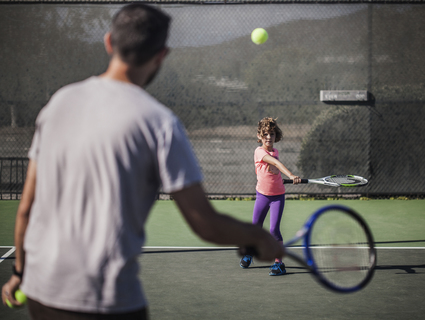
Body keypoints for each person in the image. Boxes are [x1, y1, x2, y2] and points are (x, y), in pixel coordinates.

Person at [1, 4, 284, 319]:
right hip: (109, 302)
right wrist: (258, 237)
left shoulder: (57, 103)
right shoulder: (160, 123)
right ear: (161, 55)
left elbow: (27, 207)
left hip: (41, 293)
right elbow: (205, 223)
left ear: (109, 42)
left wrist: (20, 271)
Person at [239, 117, 301, 276]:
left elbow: (274, 169)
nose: (268, 137)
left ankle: (279, 264)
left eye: (272, 134)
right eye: (265, 134)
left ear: (276, 136)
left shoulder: (275, 152)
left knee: (274, 230)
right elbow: (277, 165)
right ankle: (249, 253)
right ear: (259, 136)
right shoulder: (259, 151)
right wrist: (291, 174)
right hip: (262, 196)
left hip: (277, 197)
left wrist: (280, 172)